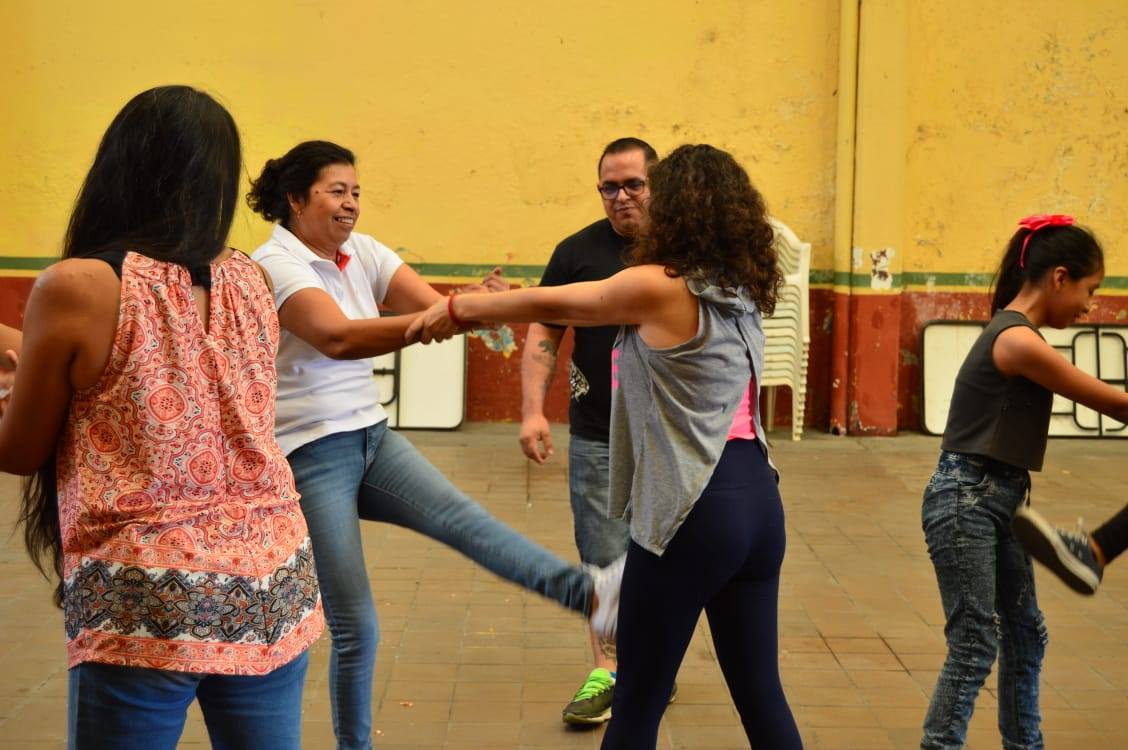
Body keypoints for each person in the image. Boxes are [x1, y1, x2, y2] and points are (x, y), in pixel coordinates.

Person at [409, 143, 804, 749]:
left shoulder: (659, 286)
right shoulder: (741, 283)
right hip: (757, 501)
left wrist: (461, 306)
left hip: (696, 511)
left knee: (637, 702)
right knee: (760, 692)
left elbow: (555, 302)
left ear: (677, 208)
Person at [245, 140, 622, 750]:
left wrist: (477, 303)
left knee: (464, 521)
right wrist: (443, 316)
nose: (351, 205)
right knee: (356, 626)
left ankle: (594, 596)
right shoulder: (276, 264)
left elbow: (435, 310)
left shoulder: (360, 253)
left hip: (369, 437)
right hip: (310, 454)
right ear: (295, 199)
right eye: (336, 192)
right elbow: (338, 337)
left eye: (357, 193)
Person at [0, 86, 324, 750]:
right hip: (271, 583)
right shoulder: (249, 278)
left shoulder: (77, 285)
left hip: (146, 593)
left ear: (116, 167)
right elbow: (176, 379)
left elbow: (20, 449)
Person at [919, 214, 1128, 749]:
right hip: (966, 497)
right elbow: (1113, 402)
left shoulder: (1020, 334)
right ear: (1059, 277)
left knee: (1026, 634)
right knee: (973, 643)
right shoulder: (1017, 341)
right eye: (1090, 290)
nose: (1090, 305)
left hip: (1000, 497)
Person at [520, 137, 672, 724]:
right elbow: (543, 331)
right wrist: (533, 409)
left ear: (658, 185)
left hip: (672, 440)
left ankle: (651, 664)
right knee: (605, 560)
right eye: (609, 186)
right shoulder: (577, 251)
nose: (620, 196)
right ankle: (607, 672)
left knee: (665, 560)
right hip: (598, 434)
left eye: (633, 183)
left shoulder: (683, 251)